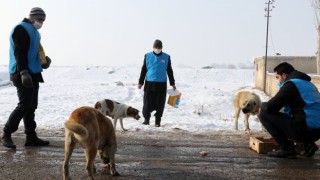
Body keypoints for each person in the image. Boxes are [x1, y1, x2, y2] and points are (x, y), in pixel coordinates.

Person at [1, 7, 52, 149]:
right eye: (40, 19)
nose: (41, 22)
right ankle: (6, 133)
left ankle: (31, 137)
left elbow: (35, 52)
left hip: (33, 72)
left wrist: (44, 62)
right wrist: (23, 72)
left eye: (43, 20)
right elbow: (19, 52)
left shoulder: (35, 32)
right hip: (22, 73)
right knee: (24, 105)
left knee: (32, 106)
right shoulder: (20, 29)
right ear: (32, 17)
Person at [258, 62, 320, 158]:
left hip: (304, 129)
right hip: (316, 131)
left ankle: (287, 149)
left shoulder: (291, 85)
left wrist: (260, 104)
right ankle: (307, 145)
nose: (278, 81)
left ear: (284, 75)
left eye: (277, 78)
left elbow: (271, 107)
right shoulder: (308, 84)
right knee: (294, 115)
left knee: (263, 114)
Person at [138, 39, 176, 127]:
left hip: (161, 84)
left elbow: (169, 71)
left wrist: (172, 83)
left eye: (159, 47)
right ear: (153, 47)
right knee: (147, 103)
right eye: (156, 47)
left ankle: (157, 121)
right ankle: (146, 120)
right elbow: (144, 70)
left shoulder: (166, 57)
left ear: (162, 48)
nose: (157, 49)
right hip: (149, 83)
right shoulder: (147, 56)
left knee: (160, 104)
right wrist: (140, 82)